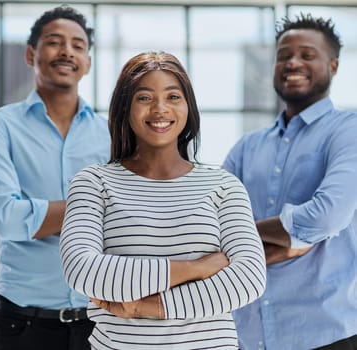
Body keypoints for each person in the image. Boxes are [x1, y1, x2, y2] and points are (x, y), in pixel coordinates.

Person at [59, 51, 266, 349]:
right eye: (144, 98)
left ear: (188, 107)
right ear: (125, 109)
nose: (160, 109)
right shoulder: (94, 182)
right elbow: (83, 271)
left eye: (173, 97)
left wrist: (147, 307)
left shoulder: (223, 185)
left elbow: (248, 279)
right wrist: (197, 269)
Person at [0, 5, 110, 350]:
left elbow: (128, 221)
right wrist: (97, 208)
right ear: (31, 53)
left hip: (101, 322)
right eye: (55, 42)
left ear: (88, 63)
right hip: (21, 324)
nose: (67, 51)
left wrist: (41, 215)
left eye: (78, 45)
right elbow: (6, 219)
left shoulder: (112, 134)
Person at [223, 13, 357, 350]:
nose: (293, 62)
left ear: (334, 66)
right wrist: (281, 239)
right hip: (246, 335)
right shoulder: (246, 147)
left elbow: (325, 217)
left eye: (307, 54)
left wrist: (244, 235)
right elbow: (210, 227)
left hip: (327, 335)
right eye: (284, 55)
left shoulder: (349, 132)